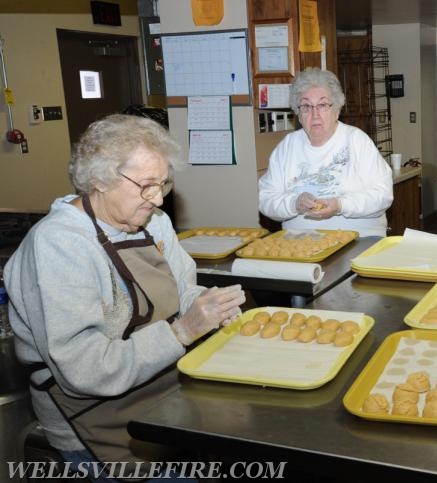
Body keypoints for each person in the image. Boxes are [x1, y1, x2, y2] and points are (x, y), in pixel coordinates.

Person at [4, 114, 246, 482]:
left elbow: (182, 289)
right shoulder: (60, 244)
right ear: (99, 179)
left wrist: (210, 306)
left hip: (159, 390)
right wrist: (181, 333)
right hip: (95, 421)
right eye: (147, 185)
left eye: (164, 184)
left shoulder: (153, 221)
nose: (159, 197)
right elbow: (83, 370)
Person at [258, 67, 393, 238]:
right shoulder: (287, 147)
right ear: (298, 113)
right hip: (299, 243)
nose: (315, 114)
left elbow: (383, 195)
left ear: (336, 110)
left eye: (322, 105)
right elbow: (266, 200)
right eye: (306, 106)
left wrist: (340, 205)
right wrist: (294, 203)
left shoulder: (357, 141)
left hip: (359, 239)